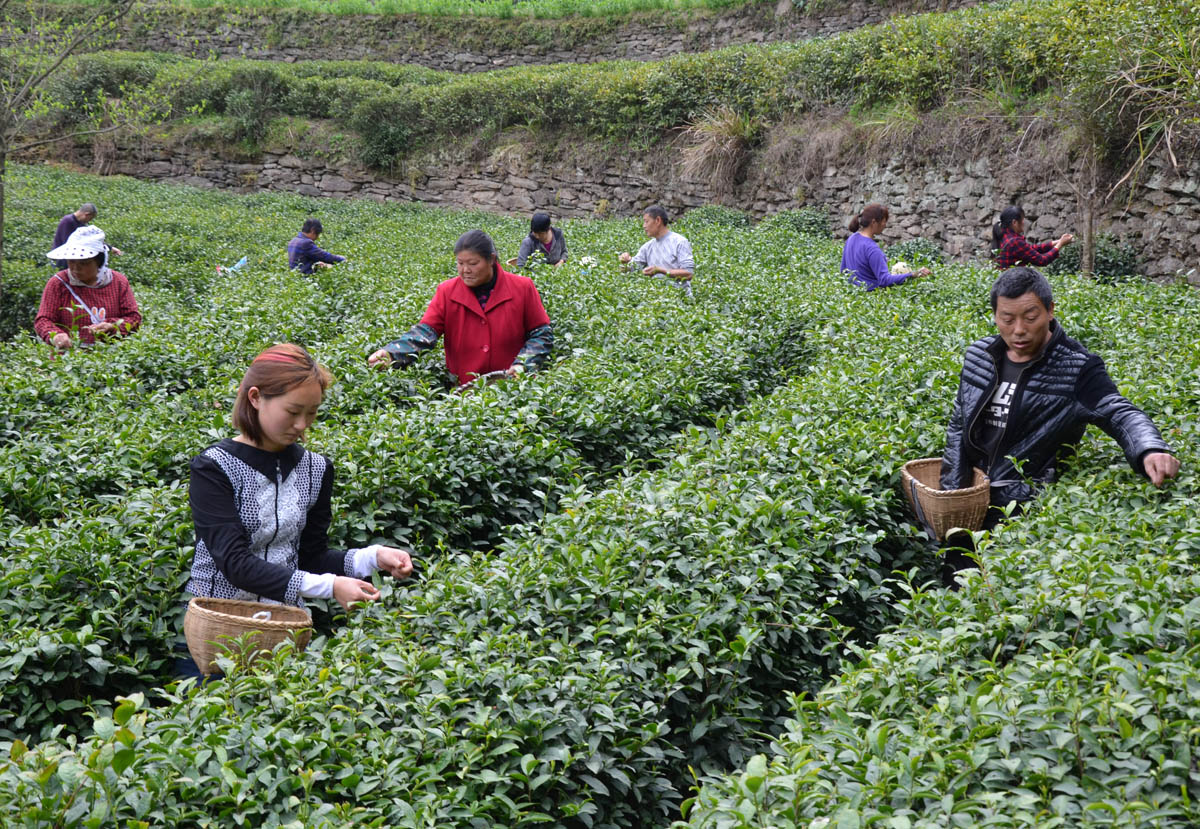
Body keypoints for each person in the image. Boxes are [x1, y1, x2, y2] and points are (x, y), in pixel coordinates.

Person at [182, 344, 414, 674]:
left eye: (312, 413)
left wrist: (373, 557)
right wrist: (330, 587)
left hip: (284, 628)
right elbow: (234, 563)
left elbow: (310, 557)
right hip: (216, 629)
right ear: (255, 398)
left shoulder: (316, 469)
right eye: (293, 412)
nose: (303, 425)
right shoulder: (214, 468)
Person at [938, 267, 1180, 579]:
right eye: (1007, 319)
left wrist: (1150, 448)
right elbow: (959, 426)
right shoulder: (979, 356)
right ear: (995, 315)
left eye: (1030, 316)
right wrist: (951, 497)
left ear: (1050, 311)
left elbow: (1119, 412)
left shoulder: (1077, 367)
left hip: (1021, 513)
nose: (1019, 330)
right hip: (968, 503)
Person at [368, 230, 553, 384]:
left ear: (491, 260)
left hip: (512, 388)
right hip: (465, 393)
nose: (465, 270)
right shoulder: (447, 291)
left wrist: (523, 364)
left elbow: (541, 333)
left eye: (473, 264)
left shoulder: (522, 288)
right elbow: (425, 333)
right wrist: (393, 352)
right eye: (460, 263)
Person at [36, 225, 141, 350]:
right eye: (71, 261)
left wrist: (113, 326)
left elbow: (134, 318)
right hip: (68, 360)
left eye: (83, 263)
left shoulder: (118, 282)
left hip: (110, 357)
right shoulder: (58, 283)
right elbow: (43, 319)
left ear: (99, 262)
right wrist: (55, 335)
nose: (75, 268)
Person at [841, 203, 931, 290]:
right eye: (884, 221)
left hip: (852, 294)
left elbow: (843, 271)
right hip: (870, 297)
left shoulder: (852, 238)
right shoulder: (872, 248)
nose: (885, 225)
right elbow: (884, 280)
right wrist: (913, 274)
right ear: (874, 222)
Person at [618, 205, 695, 297]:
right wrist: (625, 261)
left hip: (680, 299)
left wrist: (661, 271)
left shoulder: (679, 242)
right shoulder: (647, 247)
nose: (644, 226)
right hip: (656, 300)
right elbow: (630, 268)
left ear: (658, 220)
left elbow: (688, 273)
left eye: (646, 221)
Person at [992, 205, 1073, 270]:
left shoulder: (1003, 235)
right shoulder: (1015, 241)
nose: (1024, 222)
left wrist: (1057, 242)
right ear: (1014, 222)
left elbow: (1030, 249)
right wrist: (1060, 245)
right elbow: (1042, 260)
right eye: (1023, 219)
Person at [52, 203, 121, 269]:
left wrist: (110, 248)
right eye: (90, 219)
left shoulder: (81, 224)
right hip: (62, 259)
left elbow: (90, 241)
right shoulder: (68, 221)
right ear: (87, 215)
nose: (88, 221)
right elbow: (68, 243)